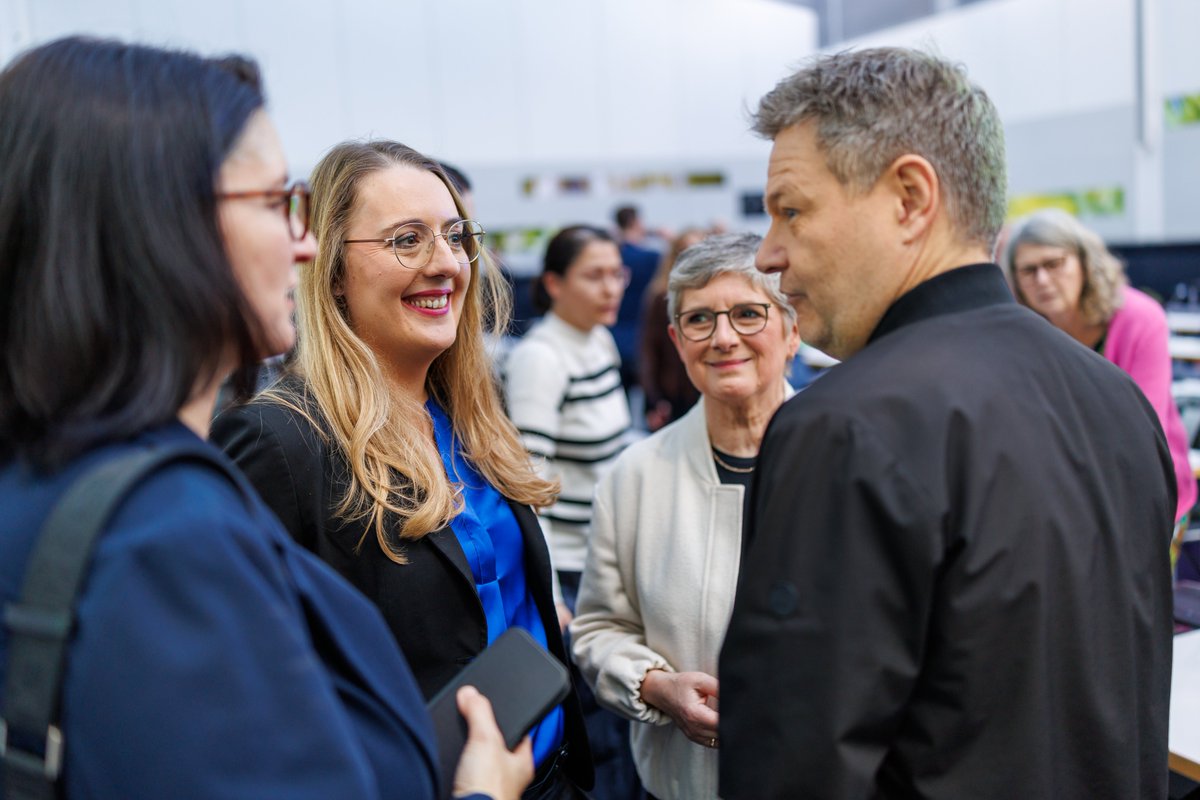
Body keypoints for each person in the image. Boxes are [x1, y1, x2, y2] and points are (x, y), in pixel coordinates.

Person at [0, 37, 530, 800]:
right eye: (275, 203)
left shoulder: (72, 477)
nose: (303, 245)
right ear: (160, 225)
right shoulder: (165, 534)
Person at [718, 47, 1175, 799]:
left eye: (791, 211)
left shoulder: (846, 427)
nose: (768, 254)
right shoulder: (1116, 399)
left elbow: (791, 764)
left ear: (909, 198)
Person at [210, 140, 592, 799]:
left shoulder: (468, 411)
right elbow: (242, 695)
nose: (445, 264)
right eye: (407, 240)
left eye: (455, 237)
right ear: (333, 270)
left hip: (552, 777)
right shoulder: (279, 442)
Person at [571, 233, 799, 800]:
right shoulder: (635, 477)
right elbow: (597, 629)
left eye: (748, 313)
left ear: (792, 330)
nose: (723, 338)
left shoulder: (850, 460)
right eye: (699, 319)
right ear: (676, 340)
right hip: (684, 783)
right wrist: (655, 686)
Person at [503, 225, 638, 799]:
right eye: (594, 275)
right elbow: (527, 485)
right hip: (571, 570)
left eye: (617, 273)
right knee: (599, 728)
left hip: (606, 553)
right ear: (554, 284)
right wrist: (553, 593)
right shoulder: (541, 358)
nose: (612, 288)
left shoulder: (598, 338)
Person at [1001, 208, 1197, 537]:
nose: (1042, 280)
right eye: (1029, 270)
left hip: (1146, 496)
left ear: (1085, 263)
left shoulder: (1140, 319)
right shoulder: (1022, 331)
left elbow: (1143, 432)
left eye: (1054, 264)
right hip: (1063, 499)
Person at [638, 227, 706, 431]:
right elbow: (650, 350)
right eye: (686, 252)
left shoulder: (713, 295)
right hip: (674, 391)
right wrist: (652, 399)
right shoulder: (661, 297)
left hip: (705, 386)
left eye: (698, 252)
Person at [612, 205, 662, 391]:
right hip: (640, 336)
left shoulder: (614, 256)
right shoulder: (651, 258)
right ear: (636, 222)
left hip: (614, 335)